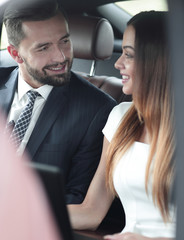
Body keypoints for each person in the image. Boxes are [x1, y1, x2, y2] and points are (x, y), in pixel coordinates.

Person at [67, 11, 176, 239]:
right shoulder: (120, 117)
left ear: (159, 60)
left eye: (129, 55)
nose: (118, 63)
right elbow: (91, 211)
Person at [0, 0, 116, 204]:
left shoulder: (96, 110)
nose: (61, 57)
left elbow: (76, 197)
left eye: (65, 41)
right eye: (44, 48)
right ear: (15, 54)